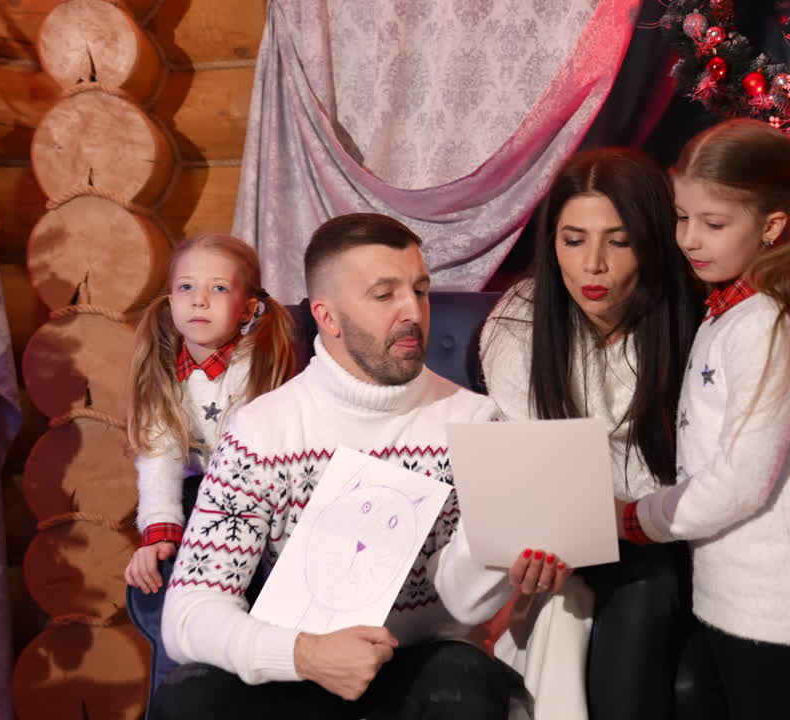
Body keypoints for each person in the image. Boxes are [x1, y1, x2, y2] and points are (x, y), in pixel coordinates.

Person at [152, 213, 562, 720]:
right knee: (188, 698)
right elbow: (189, 614)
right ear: (328, 317)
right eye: (384, 294)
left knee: (465, 681)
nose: (412, 310)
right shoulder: (262, 432)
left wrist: (505, 554)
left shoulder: (475, 421)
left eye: (420, 289)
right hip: (297, 667)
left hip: (422, 668)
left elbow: (465, 605)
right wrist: (303, 654)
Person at [618, 118, 790, 719]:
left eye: (713, 223)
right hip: (743, 595)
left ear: (773, 225)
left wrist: (641, 518)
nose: (689, 239)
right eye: (682, 217)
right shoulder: (736, 312)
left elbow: (740, 480)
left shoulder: (765, 324)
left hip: (774, 605)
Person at [481, 147, 700, 718]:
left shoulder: (692, 322)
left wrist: (624, 519)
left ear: (651, 242)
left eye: (619, 240)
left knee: (646, 589)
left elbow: (691, 482)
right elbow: (527, 471)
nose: (592, 265)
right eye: (573, 240)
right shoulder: (518, 327)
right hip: (558, 542)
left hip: (660, 537)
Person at [124, 233, 295, 595]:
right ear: (171, 302)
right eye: (186, 287)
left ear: (247, 309)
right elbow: (159, 458)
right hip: (201, 497)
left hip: (264, 496)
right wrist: (159, 531)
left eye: (218, 288)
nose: (199, 300)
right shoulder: (162, 376)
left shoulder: (257, 369)